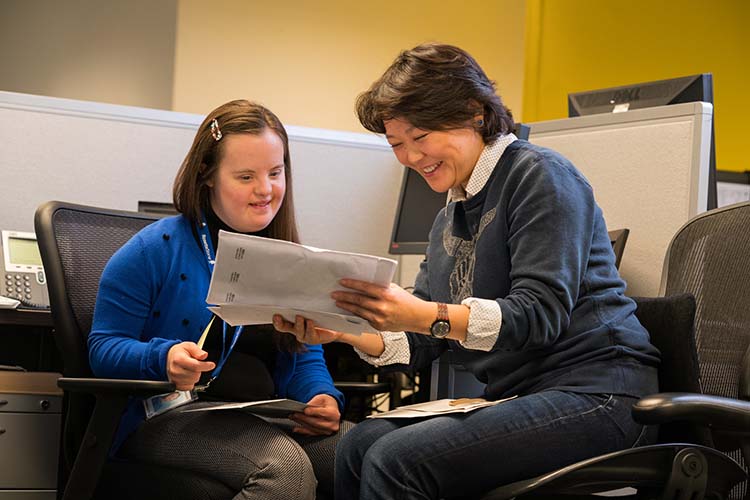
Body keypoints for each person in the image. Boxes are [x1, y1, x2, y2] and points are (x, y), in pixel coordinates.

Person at [273, 43, 661, 499]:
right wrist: (342, 330)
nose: (410, 157)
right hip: (528, 398)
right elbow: (421, 338)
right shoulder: (449, 216)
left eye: (420, 137)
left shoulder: (541, 176)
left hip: (601, 396)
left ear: (475, 113)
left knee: (396, 460)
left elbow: (538, 316)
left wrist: (419, 313)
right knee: (357, 445)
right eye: (397, 144)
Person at [89, 99, 350, 500]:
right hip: (163, 413)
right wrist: (163, 359)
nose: (265, 189)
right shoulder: (154, 249)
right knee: (282, 470)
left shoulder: (288, 256)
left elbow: (302, 352)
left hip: (256, 413)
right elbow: (103, 348)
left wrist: (319, 396)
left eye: (275, 173)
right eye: (245, 176)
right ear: (207, 176)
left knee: (369, 453)